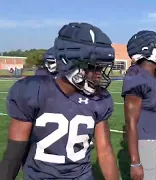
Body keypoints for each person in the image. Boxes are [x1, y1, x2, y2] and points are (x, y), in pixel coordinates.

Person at [0, 22, 119, 180]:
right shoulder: (35, 91)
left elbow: (104, 150)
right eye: (93, 67)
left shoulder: (99, 98)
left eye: (101, 68)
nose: (99, 75)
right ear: (69, 62)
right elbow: (14, 154)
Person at [122, 30, 156, 180]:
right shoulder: (136, 76)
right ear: (146, 50)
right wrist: (135, 162)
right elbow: (130, 122)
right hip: (144, 141)